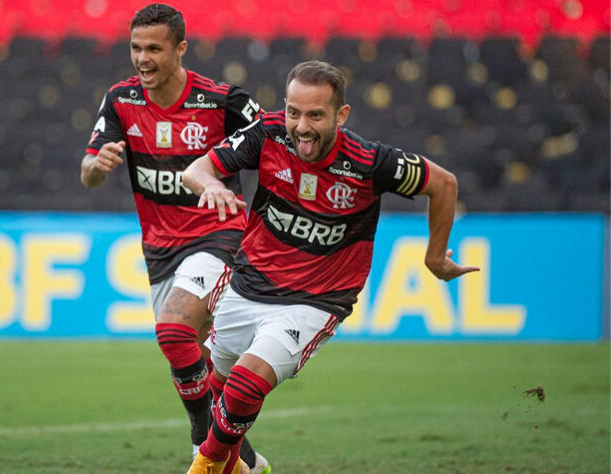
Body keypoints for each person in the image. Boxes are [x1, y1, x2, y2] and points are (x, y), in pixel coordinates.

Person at [182, 60, 481, 473]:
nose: (301, 126)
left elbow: (442, 183)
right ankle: (244, 468)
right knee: (218, 393)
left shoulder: (368, 162)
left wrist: (434, 258)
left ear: (341, 115)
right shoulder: (267, 134)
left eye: (315, 115)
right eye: (293, 112)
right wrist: (212, 185)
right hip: (248, 284)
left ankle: (205, 466)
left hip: (315, 301)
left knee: (247, 382)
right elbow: (197, 170)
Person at [80, 4, 269, 472]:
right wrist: (96, 166)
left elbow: (275, 146)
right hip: (160, 250)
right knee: (191, 359)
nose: (142, 58)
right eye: (135, 48)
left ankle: (199, 446)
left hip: (218, 235)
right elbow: (87, 174)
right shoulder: (120, 99)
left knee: (172, 330)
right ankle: (247, 462)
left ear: (181, 48)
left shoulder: (222, 101)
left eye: (154, 49)